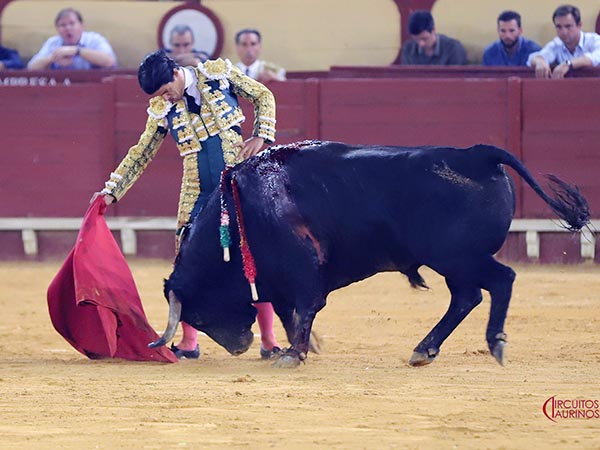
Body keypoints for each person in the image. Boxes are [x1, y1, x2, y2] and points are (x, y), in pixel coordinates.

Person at [91, 51, 280, 359]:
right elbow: (142, 151)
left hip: (237, 181)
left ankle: (269, 340)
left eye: (167, 90)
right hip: (196, 191)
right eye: (159, 95)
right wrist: (112, 190)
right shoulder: (162, 108)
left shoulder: (218, 76)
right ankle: (189, 341)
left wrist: (262, 134)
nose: (166, 98)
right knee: (186, 263)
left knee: (253, 259)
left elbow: (263, 94)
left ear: (178, 73)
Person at [27, 8, 117, 70]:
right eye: (63, 25)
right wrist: (52, 58)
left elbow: (109, 61)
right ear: (57, 29)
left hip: (94, 87)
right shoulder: (53, 43)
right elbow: (31, 67)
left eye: (72, 23)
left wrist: (77, 51)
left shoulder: (94, 39)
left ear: (82, 26)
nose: (68, 28)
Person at [527, 4, 600, 79]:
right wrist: (540, 62)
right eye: (559, 27)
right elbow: (534, 58)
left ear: (579, 25)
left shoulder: (594, 40)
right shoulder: (557, 44)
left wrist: (568, 64)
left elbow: (595, 57)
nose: (563, 32)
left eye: (568, 26)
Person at [400, 10, 467, 65]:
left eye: (425, 38)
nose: (421, 44)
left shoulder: (453, 49)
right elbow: (407, 78)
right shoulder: (408, 49)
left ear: (433, 30)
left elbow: (456, 79)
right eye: (416, 39)